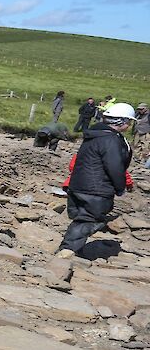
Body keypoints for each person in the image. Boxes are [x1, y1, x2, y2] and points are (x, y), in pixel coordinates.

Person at [58, 102, 135, 257]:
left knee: (82, 218)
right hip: (96, 189)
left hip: (77, 185)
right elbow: (115, 166)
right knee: (89, 220)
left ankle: (71, 248)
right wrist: (120, 187)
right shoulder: (111, 140)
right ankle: (67, 251)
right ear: (123, 122)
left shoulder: (93, 135)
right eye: (129, 122)